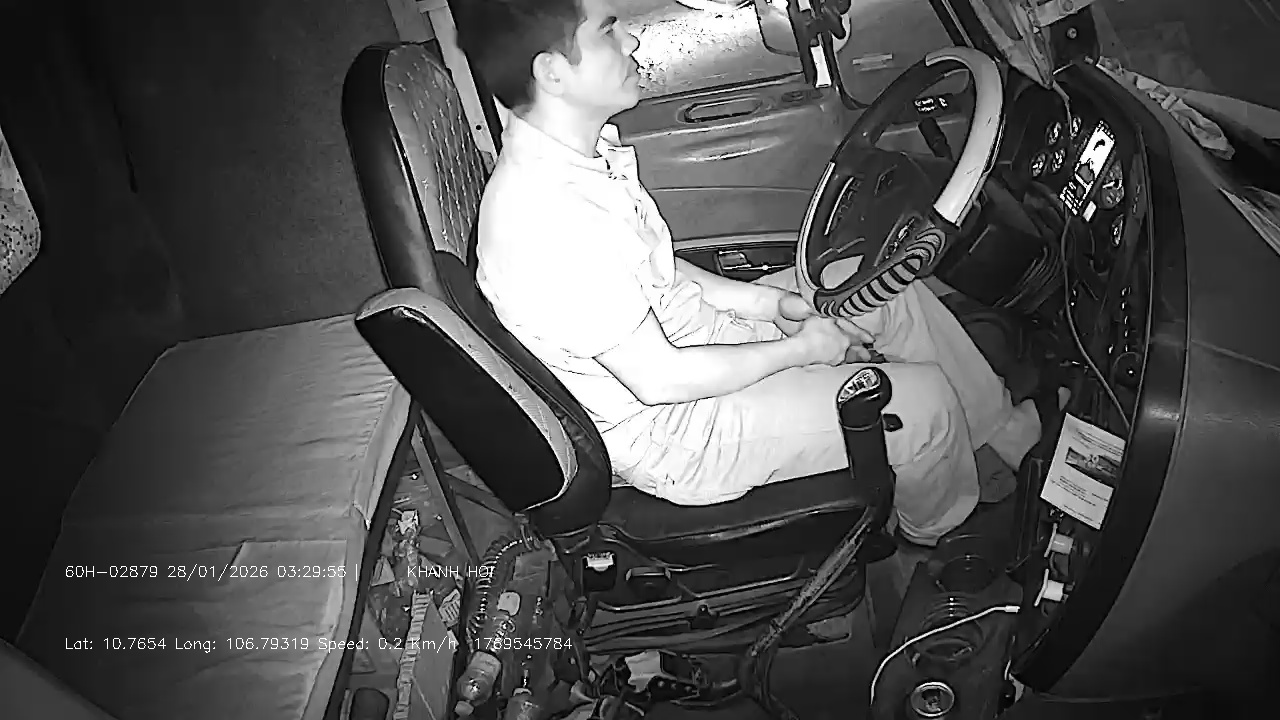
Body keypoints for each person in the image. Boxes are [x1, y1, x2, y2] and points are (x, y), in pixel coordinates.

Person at [455, 0, 1041, 545]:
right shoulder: (547, 221)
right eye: (608, 31)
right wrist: (802, 349)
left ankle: (1002, 433)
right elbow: (660, 380)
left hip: (694, 342)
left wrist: (766, 305)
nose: (631, 38)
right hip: (682, 429)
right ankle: (942, 534)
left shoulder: (581, 158)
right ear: (553, 73)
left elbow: (663, 274)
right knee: (925, 406)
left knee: (875, 284)